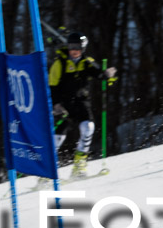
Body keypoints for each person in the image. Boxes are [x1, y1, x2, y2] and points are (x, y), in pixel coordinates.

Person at [49, 31, 117, 178]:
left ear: (83, 48)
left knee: (88, 127)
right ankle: (47, 173)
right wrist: (56, 105)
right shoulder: (60, 63)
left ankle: (79, 167)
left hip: (80, 102)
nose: (75, 51)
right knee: (58, 137)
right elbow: (52, 86)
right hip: (63, 105)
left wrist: (106, 75)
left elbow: (98, 74)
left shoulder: (86, 62)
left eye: (78, 47)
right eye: (72, 46)